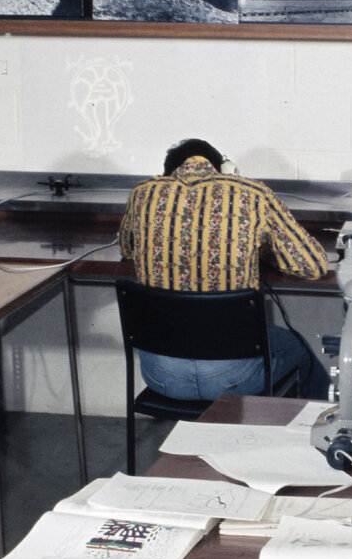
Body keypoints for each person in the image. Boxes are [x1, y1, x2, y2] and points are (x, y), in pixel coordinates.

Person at [117, 139, 332, 402]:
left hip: (160, 378)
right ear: (223, 168)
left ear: (167, 174)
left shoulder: (142, 193)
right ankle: (317, 430)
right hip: (233, 379)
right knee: (297, 347)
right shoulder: (254, 194)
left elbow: (127, 250)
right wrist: (260, 249)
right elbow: (313, 265)